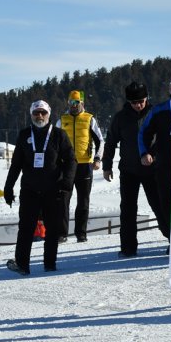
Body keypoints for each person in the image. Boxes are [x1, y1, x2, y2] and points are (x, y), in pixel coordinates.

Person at [4, 100, 77, 275]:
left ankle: (50, 264)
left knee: (52, 229)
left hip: (54, 189)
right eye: (36, 113)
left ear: (49, 114)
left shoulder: (59, 135)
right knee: (26, 228)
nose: (40, 116)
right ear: (31, 115)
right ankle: (22, 264)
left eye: (43, 113)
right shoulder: (24, 135)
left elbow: (71, 161)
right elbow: (16, 164)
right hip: (30, 190)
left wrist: (67, 182)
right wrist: (8, 187)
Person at [102, 82, 168, 258]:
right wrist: (106, 166)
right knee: (128, 209)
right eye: (134, 102)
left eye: (141, 100)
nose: (138, 105)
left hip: (153, 169)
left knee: (161, 206)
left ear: (147, 98)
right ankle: (128, 247)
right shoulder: (120, 118)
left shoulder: (157, 114)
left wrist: (153, 155)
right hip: (129, 170)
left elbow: (164, 139)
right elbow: (110, 143)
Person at [56, 90, 105, 243]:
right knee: (63, 200)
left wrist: (97, 158)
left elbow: (100, 141)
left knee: (83, 201)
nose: (74, 106)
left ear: (82, 103)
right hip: (66, 166)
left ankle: (81, 234)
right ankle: (61, 234)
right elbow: (53, 143)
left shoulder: (89, 119)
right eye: (71, 102)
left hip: (85, 165)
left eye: (77, 102)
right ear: (68, 103)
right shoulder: (62, 120)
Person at [138, 83, 171, 252]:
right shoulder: (160, 110)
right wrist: (144, 152)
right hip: (165, 166)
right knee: (166, 205)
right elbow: (144, 133)